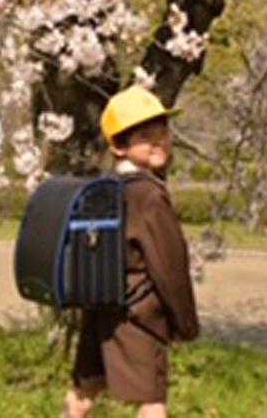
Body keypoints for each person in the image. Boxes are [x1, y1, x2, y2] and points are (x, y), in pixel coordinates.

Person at [62, 85, 200, 418]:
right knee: (152, 401)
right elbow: (169, 265)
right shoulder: (149, 196)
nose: (159, 141)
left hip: (101, 306)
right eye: (146, 135)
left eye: (163, 131)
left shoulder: (103, 187)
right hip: (139, 313)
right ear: (119, 145)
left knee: (83, 390)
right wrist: (185, 322)